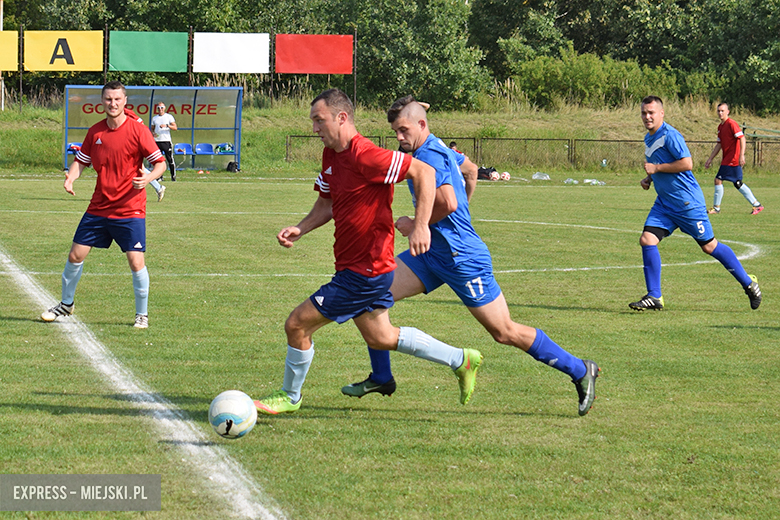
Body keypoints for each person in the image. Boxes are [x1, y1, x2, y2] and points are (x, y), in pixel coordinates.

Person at [340, 96, 600, 416]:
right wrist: (456, 216)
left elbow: (449, 202)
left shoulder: (430, 155)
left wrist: (418, 223)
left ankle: (580, 369)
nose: (399, 137)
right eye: (395, 131)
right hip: (432, 253)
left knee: (504, 332)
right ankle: (382, 377)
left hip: (462, 258)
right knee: (369, 295)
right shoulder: (440, 147)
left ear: (421, 125)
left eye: (403, 130)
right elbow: (472, 171)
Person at [253, 88, 483, 415]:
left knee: (297, 325)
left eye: (319, 120)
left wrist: (420, 225)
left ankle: (290, 396)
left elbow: (425, 172)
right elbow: (326, 203)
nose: (314, 128)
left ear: (341, 117)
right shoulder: (332, 155)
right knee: (381, 337)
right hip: (356, 266)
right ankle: (461, 359)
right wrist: (301, 228)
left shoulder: (367, 155)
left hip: (366, 271)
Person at [40, 81, 167, 329]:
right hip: (99, 207)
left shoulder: (138, 131)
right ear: (102, 102)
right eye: (109, 99)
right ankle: (66, 305)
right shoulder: (95, 132)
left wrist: (148, 179)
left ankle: (142, 315)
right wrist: (71, 177)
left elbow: (159, 163)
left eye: (117, 99)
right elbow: (81, 161)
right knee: (75, 255)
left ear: (125, 101)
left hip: (130, 208)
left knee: (136, 262)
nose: (113, 103)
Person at [629, 96, 762, 312]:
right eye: (644, 113)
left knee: (709, 246)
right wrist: (649, 178)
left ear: (661, 113)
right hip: (665, 204)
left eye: (651, 112)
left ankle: (749, 283)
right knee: (647, 239)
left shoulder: (670, 135)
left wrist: (656, 169)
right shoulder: (649, 138)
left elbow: (686, 163)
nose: (647, 117)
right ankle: (654, 296)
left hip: (687, 203)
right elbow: (658, 163)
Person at [703, 102, 763, 215]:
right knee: (737, 183)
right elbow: (719, 144)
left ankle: (716, 208)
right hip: (727, 158)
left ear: (728, 112)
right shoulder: (720, 127)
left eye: (722, 111)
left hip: (733, 159)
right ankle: (757, 205)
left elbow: (742, 138)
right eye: (718, 111)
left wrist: (741, 155)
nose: (720, 113)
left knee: (718, 180)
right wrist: (710, 159)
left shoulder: (731, 124)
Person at [125, 107, 167, 202]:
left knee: (138, 167)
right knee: (139, 168)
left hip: (133, 142)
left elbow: (140, 122)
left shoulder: (125, 112)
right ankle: (158, 187)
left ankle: (158, 187)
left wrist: (137, 135)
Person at [151, 102, 178, 181]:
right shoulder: (155, 118)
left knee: (170, 159)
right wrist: (153, 133)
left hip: (166, 141)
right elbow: (152, 128)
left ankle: (173, 177)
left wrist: (167, 125)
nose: (160, 109)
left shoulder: (169, 117)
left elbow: (175, 127)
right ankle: (159, 177)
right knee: (158, 160)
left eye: (162, 107)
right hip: (157, 141)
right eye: (159, 108)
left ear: (165, 108)